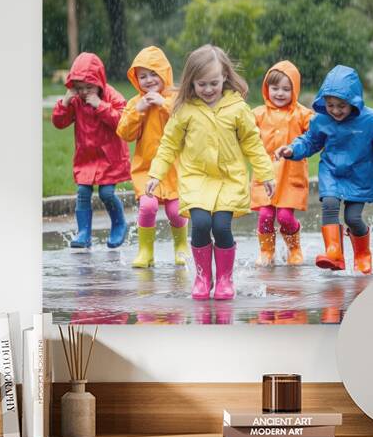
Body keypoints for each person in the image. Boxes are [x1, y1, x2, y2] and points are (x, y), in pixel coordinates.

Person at [147, 45, 275, 300]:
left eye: (213, 83)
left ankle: (225, 279)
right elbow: (169, 144)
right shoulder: (185, 110)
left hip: (229, 179)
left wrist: (265, 174)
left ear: (225, 76)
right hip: (196, 178)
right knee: (202, 224)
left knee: (221, 226)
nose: (207, 90)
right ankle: (203, 277)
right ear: (191, 82)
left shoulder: (237, 108)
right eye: (201, 84)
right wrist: (156, 174)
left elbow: (252, 143)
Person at [278, 65, 373, 275]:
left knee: (353, 218)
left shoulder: (370, 121)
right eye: (330, 104)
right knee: (330, 204)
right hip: (331, 172)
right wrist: (292, 149)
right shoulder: (322, 120)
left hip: (359, 176)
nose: (335, 110)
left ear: (354, 101)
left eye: (341, 105)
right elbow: (309, 141)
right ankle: (334, 253)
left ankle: (362, 254)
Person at [116, 46, 190, 268]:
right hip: (146, 170)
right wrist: (138, 110)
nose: (148, 80)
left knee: (176, 212)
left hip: (174, 168)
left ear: (164, 73)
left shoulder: (176, 98)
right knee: (147, 207)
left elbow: (186, 120)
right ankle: (145, 251)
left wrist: (164, 103)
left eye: (153, 74)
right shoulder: (135, 104)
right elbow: (124, 133)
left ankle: (181, 247)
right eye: (142, 76)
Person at [50, 51, 130, 249]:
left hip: (109, 156)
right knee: (83, 192)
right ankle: (84, 232)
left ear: (99, 82)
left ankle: (119, 224)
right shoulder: (76, 99)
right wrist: (65, 102)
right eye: (79, 88)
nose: (84, 92)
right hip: (87, 156)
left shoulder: (111, 96)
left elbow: (123, 122)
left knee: (107, 194)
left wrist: (100, 105)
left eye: (89, 87)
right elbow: (59, 123)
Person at [251, 61, 312, 266]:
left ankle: (294, 247)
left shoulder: (301, 114)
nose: (279, 93)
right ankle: (267, 250)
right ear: (266, 88)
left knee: (285, 216)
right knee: (265, 216)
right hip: (265, 173)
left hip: (290, 173)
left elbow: (316, 131)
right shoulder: (258, 113)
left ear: (294, 90)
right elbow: (243, 130)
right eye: (274, 88)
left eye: (286, 89)